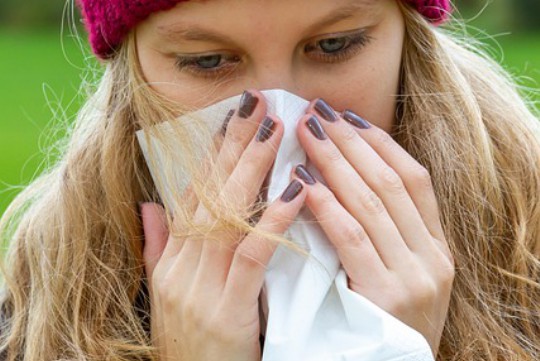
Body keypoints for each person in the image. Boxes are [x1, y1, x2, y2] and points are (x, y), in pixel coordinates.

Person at [0, 0, 538, 360]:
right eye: (207, 60)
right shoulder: (28, 319)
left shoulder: (527, 258)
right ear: (133, 73)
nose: (282, 125)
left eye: (335, 45)